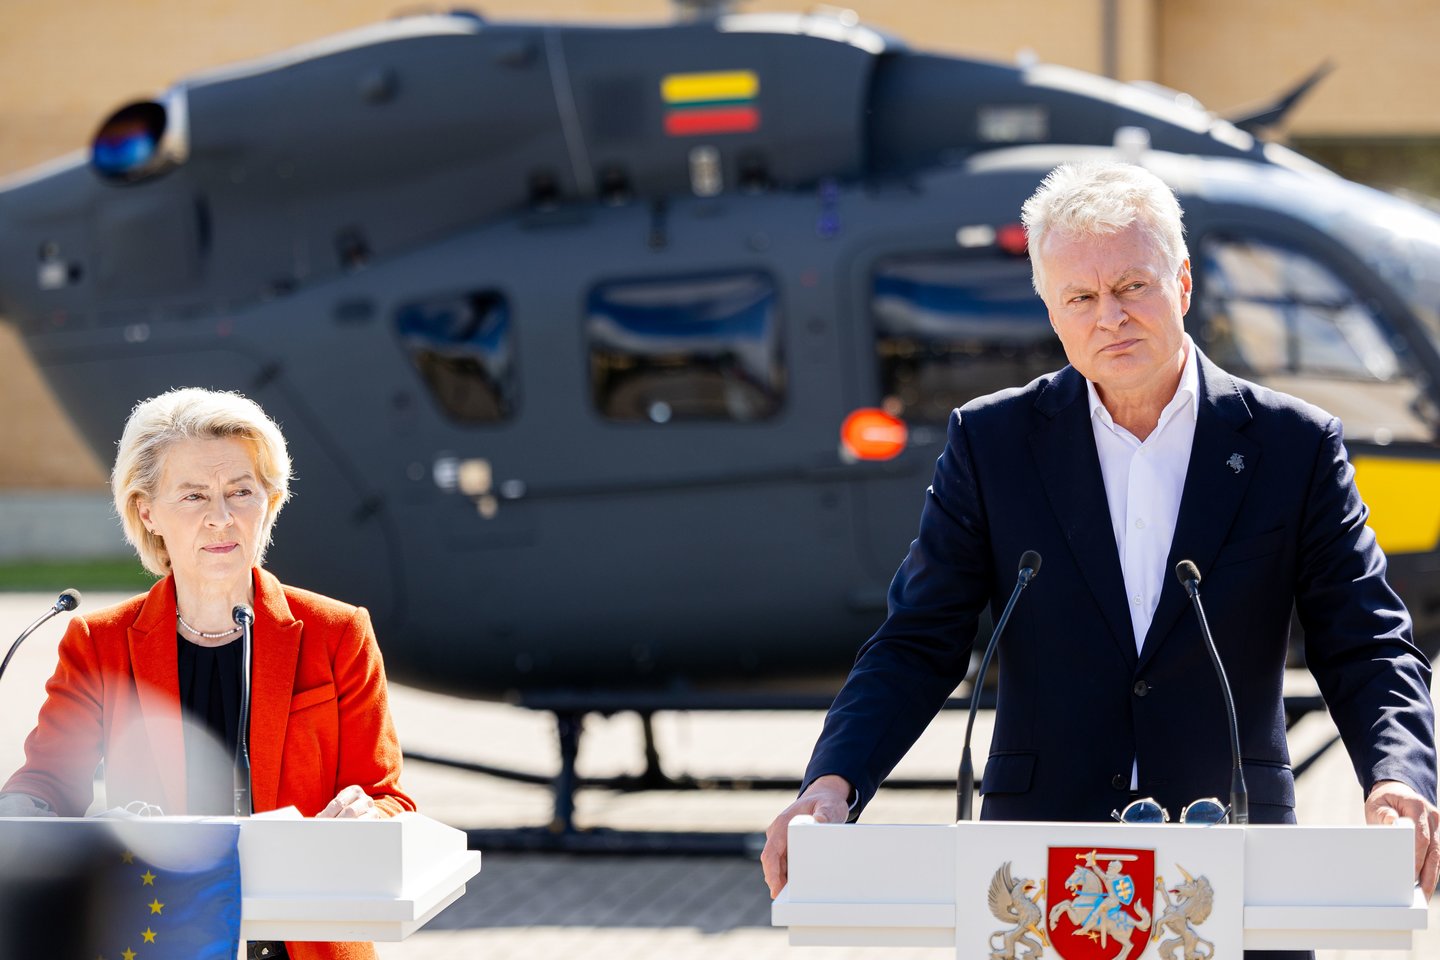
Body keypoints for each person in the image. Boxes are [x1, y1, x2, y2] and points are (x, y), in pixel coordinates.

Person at [761, 162, 1440, 947]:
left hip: (1235, 858)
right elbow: (917, 640)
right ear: (1051, 311)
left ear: (1182, 282)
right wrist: (833, 781)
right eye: (1080, 298)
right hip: (1036, 875)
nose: (1109, 317)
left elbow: (1366, 640)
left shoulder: (1295, 446)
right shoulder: (992, 443)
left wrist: (1397, 775)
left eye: (1132, 286)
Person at [0, 387, 415, 960]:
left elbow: (387, 797)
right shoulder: (101, 644)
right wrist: (20, 812)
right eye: (194, 496)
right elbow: (47, 785)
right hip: (158, 937)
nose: (221, 518)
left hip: (308, 940)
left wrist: (368, 814)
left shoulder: (338, 632)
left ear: (269, 501)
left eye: (240, 492)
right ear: (148, 511)